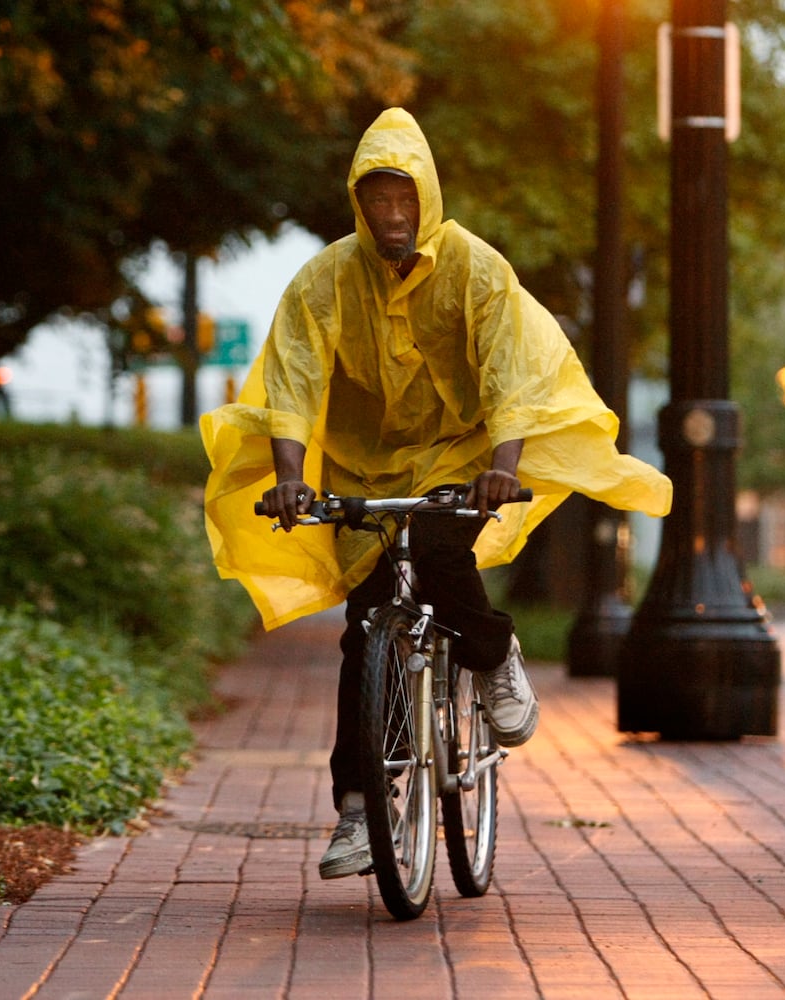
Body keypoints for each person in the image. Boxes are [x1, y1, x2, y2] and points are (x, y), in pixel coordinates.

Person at [201, 107, 672, 880]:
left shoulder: (476, 269)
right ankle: (359, 809)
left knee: (446, 555)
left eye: (404, 198)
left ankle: (492, 654)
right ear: (359, 203)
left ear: (428, 197)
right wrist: (290, 479)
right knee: (366, 631)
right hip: (362, 465)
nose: (392, 214)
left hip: (462, 451)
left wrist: (503, 466)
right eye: (377, 200)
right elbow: (291, 382)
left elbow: (510, 376)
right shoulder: (323, 281)